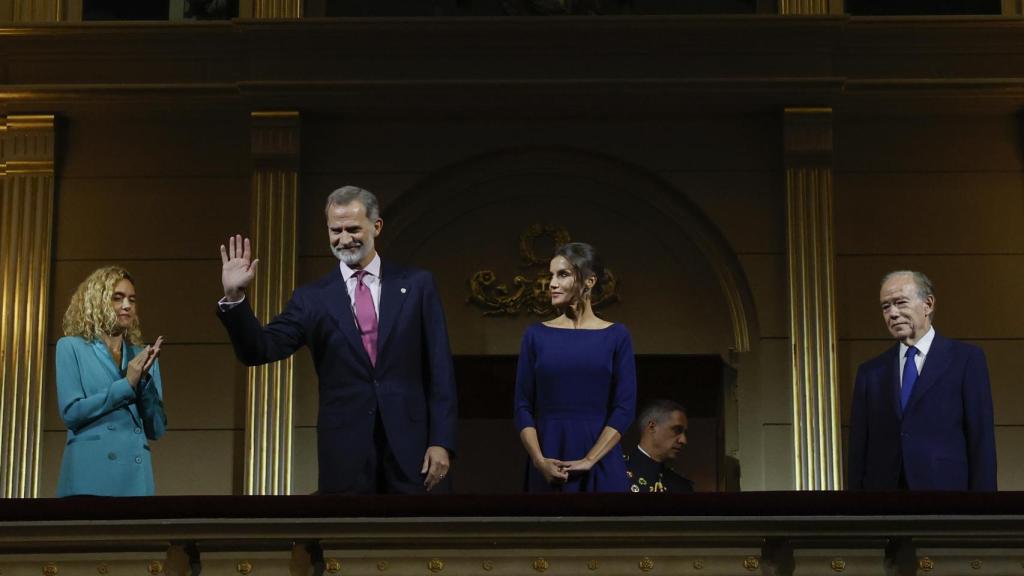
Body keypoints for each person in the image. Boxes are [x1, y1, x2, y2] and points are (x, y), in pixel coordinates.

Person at [217, 185, 457, 494]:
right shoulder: (312, 299)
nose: (344, 239)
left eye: (353, 229)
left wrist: (442, 441)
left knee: (412, 540)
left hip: (413, 450)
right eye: (335, 230)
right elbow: (259, 349)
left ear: (377, 226)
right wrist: (234, 297)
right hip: (345, 453)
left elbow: (440, 370)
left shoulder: (418, 285)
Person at [847, 270, 997, 491]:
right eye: (885, 307)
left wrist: (984, 510)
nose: (893, 313)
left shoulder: (966, 360)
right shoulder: (870, 373)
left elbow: (981, 440)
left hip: (946, 497)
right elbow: (858, 452)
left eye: (900, 302)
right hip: (882, 501)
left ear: (928, 304)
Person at [514, 242, 636, 492]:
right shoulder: (535, 335)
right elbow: (522, 405)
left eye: (563, 274)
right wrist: (539, 461)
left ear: (589, 281)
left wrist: (590, 460)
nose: (552, 284)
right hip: (548, 460)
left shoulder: (616, 336)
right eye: (551, 275)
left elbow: (624, 408)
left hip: (601, 461)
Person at [56, 266, 166, 497]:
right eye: (118, 298)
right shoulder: (71, 347)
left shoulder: (142, 356)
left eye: (131, 300)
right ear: (97, 301)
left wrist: (144, 382)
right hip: (89, 476)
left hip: (135, 480)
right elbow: (71, 413)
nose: (127, 306)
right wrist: (126, 385)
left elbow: (156, 429)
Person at [625, 399, 694, 493]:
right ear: (652, 427)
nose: (683, 440)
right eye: (677, 430)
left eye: (684, 433)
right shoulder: (617, 472)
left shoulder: (681, 486)